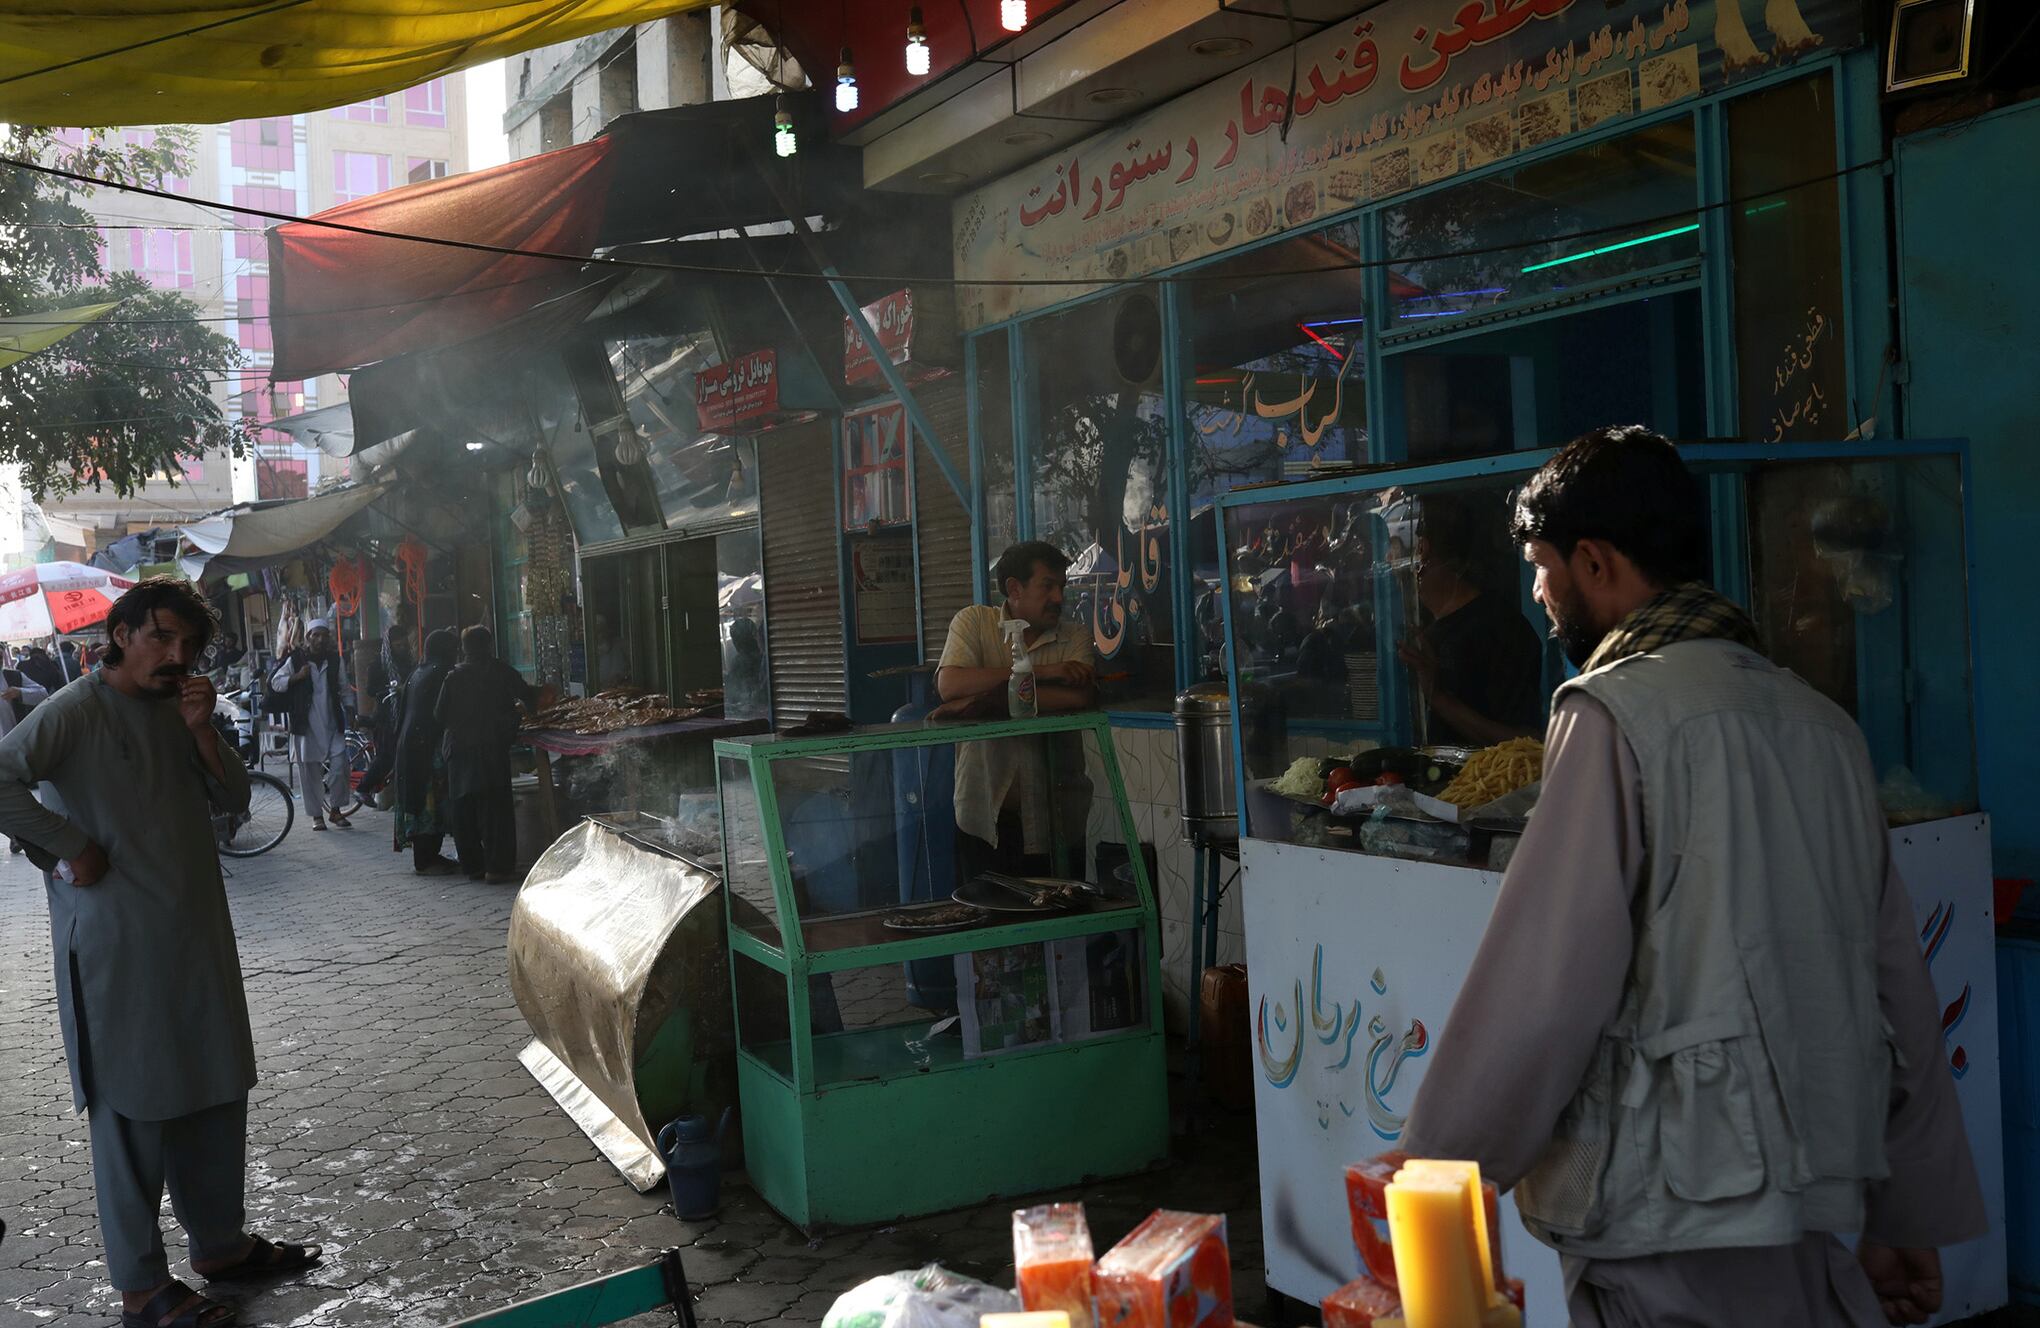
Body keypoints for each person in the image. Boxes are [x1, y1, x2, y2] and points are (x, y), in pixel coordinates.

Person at [1400, 428, 1983, 1327]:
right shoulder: (1824, 725)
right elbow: (1900, 987)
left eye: (1542, 567)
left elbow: (1546, 985)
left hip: (1671, 1208)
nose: (1538, 593)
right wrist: (1909, 1213)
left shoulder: (1612, 713)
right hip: (1813, 1205)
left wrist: (1433, 1175)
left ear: (1594, 562)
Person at [0, 579, 321, 1328]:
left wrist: (204, 731)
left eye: (188, 646)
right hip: (117, 942)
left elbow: (235, 800)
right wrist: (67, 844)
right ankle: (142, 1288)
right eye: (161, 639)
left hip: (196, 935)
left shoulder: (181, 709)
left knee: (214, 1084)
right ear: (119, 634)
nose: (176, 657)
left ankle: (220, 1245)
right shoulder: (74, 712)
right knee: (134, 1106)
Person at [935, 541, 1099, 882]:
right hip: (983, 821)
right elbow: (950, 684)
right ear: (1014, 588)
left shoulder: (1075, 637)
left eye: (1062, 587)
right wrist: (1045, 673)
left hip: (1057, 823)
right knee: (988, 926)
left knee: (1056, 923)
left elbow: (1077, 699)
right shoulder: (973, 623)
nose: (1058, 597)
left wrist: (979, 702)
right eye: (1047, 586)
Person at [1394, 490, 1545, 748]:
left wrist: (1438, 696)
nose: (1395, 565)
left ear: (1424, 554)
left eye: (1414, 550)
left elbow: (1525, 743)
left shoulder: (1502, 631)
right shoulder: (1427, 630)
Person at [434, 625, 535, 883]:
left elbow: (439, 715)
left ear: (464, 649)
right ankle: (497, 867)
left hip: (459, 750)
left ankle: (473, 866)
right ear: (488, 645)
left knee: (463, 809)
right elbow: (527, 695)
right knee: (495, 809)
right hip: (491, 746)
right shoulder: (500, 671)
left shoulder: (453, 677)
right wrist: (514, 714)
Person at [269, 619, 351, 830]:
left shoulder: (335, 660)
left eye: (324, 635)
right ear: (308, 637)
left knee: (340, 767)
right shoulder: (295, 660)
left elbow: (344, 688)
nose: (320, 639)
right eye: (316, 635)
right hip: (306, 726)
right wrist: (296, 677)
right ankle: (317, 816)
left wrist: (351, 710)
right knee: (310, 772)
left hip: (332, 724)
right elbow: (276, 683)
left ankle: (336, 810)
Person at [394, 629, 461, 875]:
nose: (456, 655)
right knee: (429, 801)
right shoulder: (441, 673)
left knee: (421, 799)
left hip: (409, 744)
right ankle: (426, 859)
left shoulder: (418, 672)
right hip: (425, 747)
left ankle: (428, 856)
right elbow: (443, 712)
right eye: (453, 650)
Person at [346, 625, 416, 816]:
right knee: (387, 756)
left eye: (403, 639)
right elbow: (370, 690)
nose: (401, 643)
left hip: (406, 715)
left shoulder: (409, 661)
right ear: (389, 643)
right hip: (387, 717)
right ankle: (362, 788)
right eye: (396, 640)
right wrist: (390, 689)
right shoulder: (379, 664)